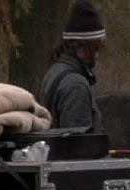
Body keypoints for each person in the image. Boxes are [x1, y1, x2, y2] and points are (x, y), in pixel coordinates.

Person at [39, 0, 106, 133]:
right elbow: (79, 146)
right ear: (82, 48)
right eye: (96, 49)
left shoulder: (54, 71)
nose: (98, 56)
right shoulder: (76, 85)